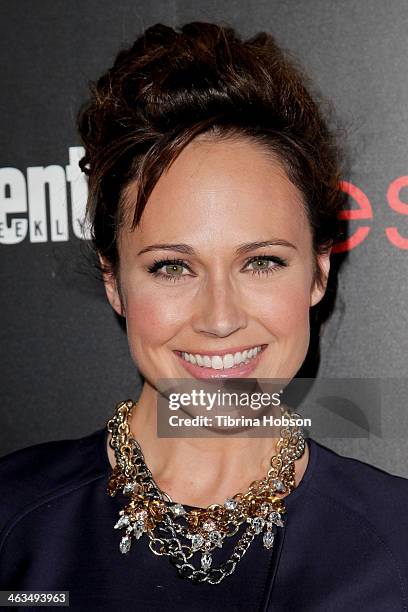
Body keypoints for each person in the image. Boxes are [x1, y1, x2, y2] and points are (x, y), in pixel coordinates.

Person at [1, 21, 408, 612]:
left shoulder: (396, 544)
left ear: (319, 271)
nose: (219, 318)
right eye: (172, 268)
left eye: (262, 262)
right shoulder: (15, 520)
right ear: (114, 279)